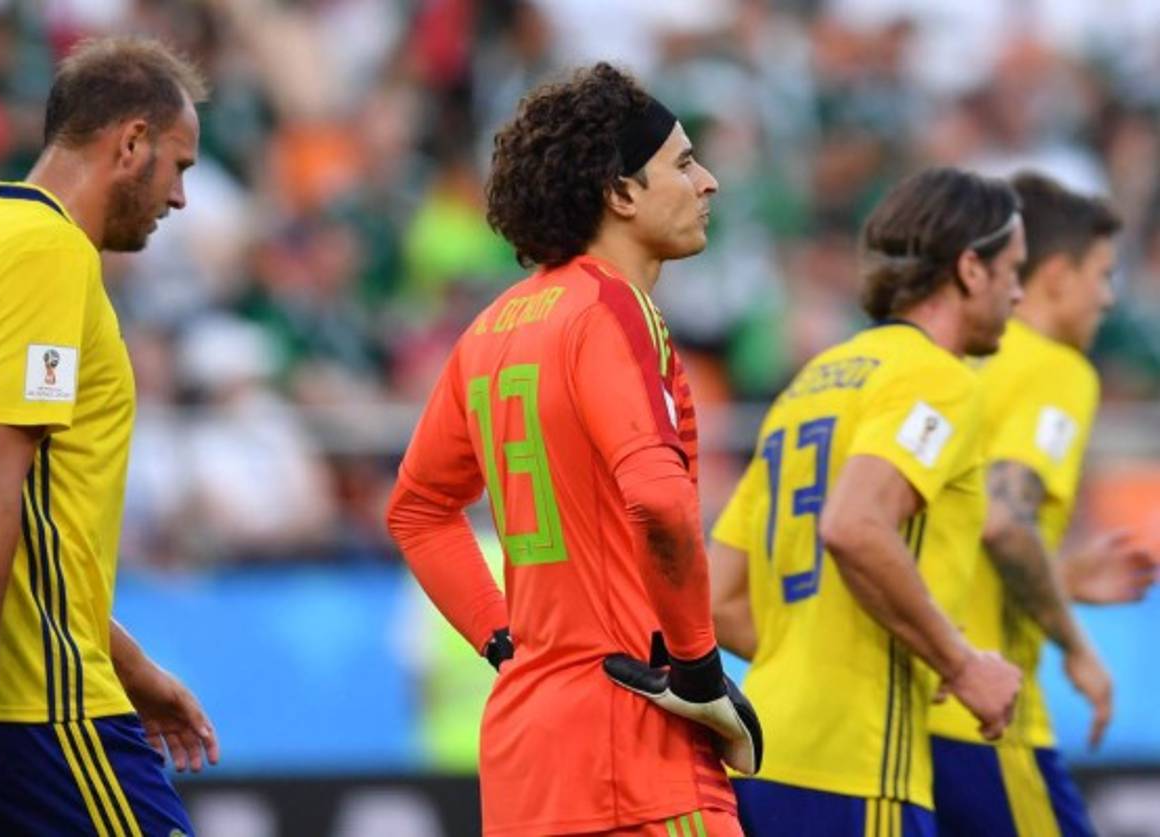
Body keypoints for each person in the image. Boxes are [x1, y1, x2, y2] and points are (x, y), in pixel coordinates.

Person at [387, 62, 759, 836]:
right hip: (637, 749)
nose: (709, 182)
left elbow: (418, 509)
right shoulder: (613, 309)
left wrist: (504, 641)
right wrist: (696, 667)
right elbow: (657, 498)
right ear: (620, 193)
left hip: (530, 756)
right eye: (684, 163)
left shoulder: (491, 327)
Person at [0, 37, 219, 835]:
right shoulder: (49, 256)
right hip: (38, 706)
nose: (180, 198)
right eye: (179, 166)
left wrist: (132, 666)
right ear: (131, 143)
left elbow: (34, 522)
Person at [709, 167, 1025, 836]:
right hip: (857, 763)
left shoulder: (810, 384)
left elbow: (719, 598)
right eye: (1012, 270)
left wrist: (822, 648)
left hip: (761, 757)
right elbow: (854, 524)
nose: (1019, 292)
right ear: (971, 268)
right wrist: (960, 662)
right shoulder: (937, 378)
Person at [929, 171, 1158, 836]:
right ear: (1055, 275)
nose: (1109, 298)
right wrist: (1076, 643)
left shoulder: (947, 361)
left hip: (899, 710)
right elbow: (1004, 519)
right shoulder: (1055, 368)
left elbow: (954, 534)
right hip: (988, 714)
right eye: (1103, 275)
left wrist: (1057, 577)